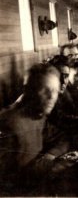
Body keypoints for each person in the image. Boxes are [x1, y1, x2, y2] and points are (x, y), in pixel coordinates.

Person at [0, 64, 69, 193]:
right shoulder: (8, 124)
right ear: (28, 90)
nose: (51, 97)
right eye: (45, 90)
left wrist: (49, 156)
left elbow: (61, 137)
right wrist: (46, 166)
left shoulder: (38, 113)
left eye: (55, 90)